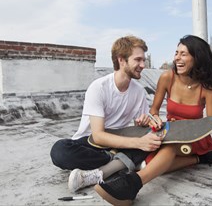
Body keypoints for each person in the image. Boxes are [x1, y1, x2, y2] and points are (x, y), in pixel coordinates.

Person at [94, 35, 212, 205]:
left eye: (184, 54)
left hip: (193, 136)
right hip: (169, 131)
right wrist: (155, 119)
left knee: (161, 158)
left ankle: (132, 184)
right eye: (177, 53)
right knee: (155, 164)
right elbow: (153, 110)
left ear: (197, 58)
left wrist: (187, 127)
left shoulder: (207, 87)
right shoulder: (168, 77)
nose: (177, 58)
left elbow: (210, 123)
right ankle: (204, 159)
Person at [50, 35, 163, 193]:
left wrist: (143, 123)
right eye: (138, 60)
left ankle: (112, 165)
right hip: (91, 144)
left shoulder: (138, 91)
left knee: (154, 139)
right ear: (121, 60)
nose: (143, 65)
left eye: (143, 60)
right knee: (59, 151)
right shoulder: (99, 87)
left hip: (121, 139)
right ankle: (121, 161)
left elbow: (141, 125)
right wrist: (138, 144)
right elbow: (98, 136)